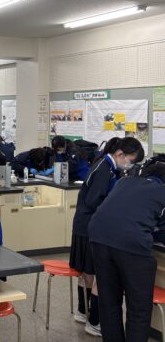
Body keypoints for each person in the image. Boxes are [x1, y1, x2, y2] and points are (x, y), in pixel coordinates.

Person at [69, 137, 144, 336]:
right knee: (98, 277)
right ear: (120, 154)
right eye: (131, 161)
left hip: (84, 226)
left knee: (87, 274)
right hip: (90, 228)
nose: (130, 166)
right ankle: (94, 321)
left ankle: (83, 312)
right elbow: (95, 200)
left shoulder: (104, 164)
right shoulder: (105, 169)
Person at [88, 163, 165, 342]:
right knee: (139, 308)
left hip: (98, 237)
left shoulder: (124, 182)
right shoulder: (161, 192)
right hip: (132, 245)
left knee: (109, 302)